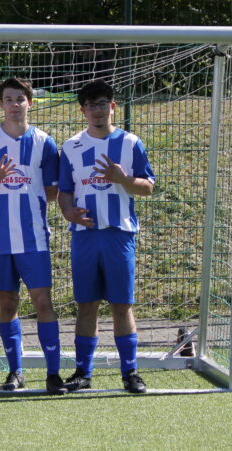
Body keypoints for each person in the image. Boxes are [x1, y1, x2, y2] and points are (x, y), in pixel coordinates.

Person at [0, 77, 65, 394]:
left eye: (19, 99)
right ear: (1, 104)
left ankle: (52, 373)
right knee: (7, 304)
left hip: (33, 237)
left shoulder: (44, 143)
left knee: (42, 301)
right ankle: (15, 372)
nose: (14, 105)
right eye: (8, 99)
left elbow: (52, 192)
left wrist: (26, 193)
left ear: (30, 103)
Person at [57, 79, 155, 395]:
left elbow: (148, 187)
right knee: (86, 305)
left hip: (119, 234)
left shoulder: (130, 143)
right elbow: (65, 192)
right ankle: (83, 372)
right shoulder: (71, 147)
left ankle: (130, 373)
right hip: (85, 236)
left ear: (112, 107)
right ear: (83, 111)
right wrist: (69, 212)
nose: (97, 111)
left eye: (103, 104)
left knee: (121, 305)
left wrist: (123, 178)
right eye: (91, 106)